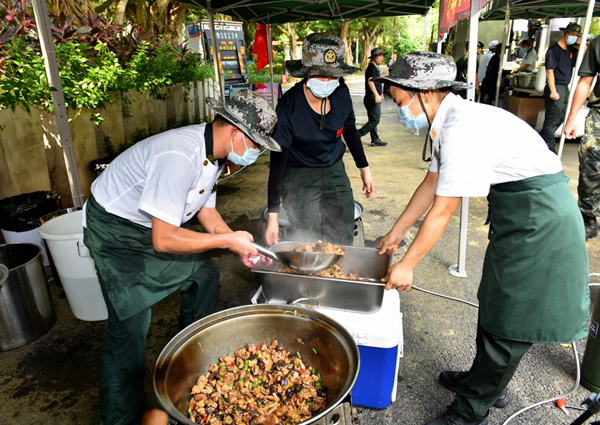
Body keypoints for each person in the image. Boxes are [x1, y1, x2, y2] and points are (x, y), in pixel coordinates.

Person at [375, 51, 589, 425]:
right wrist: (396, 233)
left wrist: (408, 265)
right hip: (516, 217)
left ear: (423, 93)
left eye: (398, 100)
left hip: (540, 222)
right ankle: (483, 379)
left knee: (512, 317)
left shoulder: (461, 128)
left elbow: (443, 209)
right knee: (493, 300)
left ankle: (471, 409)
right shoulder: (449, 120)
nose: (398, 110)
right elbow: (431, 183)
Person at [83, 90, 281, 425]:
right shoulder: (178, 155)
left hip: (150, 226)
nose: (257, 153)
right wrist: (224, 242)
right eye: (257, 144)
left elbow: (208, 214)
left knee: (204, 275)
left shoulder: (216, 156)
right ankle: (119, 417)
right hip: (116, 231)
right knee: (130, 325)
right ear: (236, 132)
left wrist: (234, 241)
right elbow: (163, 240)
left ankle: (187, 362)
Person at [266, 33, 375, 247]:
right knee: (307, 234)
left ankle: (337, 275)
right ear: (306, 74)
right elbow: (277, 163)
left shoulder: (342, 93)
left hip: (334, 168)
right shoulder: (289, 107)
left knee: (342, 228)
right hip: (300, 173)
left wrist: (364, 168)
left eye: (332, 76)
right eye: (320, 76)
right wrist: (272, 218)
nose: (327, 82)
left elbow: (350, 130)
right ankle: (310, 276)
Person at [565, 34, 600, 239]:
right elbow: (585, 81)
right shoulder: (597, 44)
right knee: (591, 163)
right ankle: (588, 217)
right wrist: (571, 118)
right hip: (598, 114)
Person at [539, 22, 582, 153]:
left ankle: (542, 138)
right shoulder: (553, 50)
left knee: (562, 116)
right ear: (565, 34)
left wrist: (581, 42)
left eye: (576, 35)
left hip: (564, 87)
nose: (574, 37)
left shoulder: (570, 50)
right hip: (556, 86)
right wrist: (553, 90)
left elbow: (584, 54)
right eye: (572, 34)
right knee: (553, 118)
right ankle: (549, 148)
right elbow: (549, 71)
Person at [359, 47, 388, 147]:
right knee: (375, 120)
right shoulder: (371, 67)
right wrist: (376, 95)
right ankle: (356, 135)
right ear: (374, 57)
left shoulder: (374, 67)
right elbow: (370, 81)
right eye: (380, 56)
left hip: (370, 97)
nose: (382, 58)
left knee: (373, 119)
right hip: (371, 97)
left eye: (382, 56)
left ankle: (375, 139)